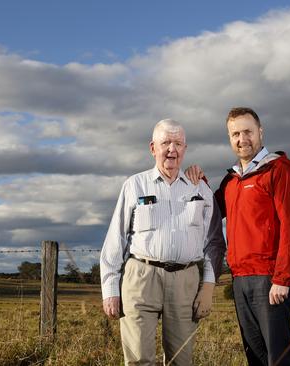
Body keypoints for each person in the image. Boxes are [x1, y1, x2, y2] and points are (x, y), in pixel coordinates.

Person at [100, 119, 226, 366]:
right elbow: (115, 239)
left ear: (185, 149)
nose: (172, 149)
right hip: (140, 279)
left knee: (182, 360)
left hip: (185, 280)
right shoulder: (134, 185)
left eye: (178, 143)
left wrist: (208, 286)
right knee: (139, 360)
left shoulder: (199, 188)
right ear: (152, 148)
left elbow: (214, 242)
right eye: (166, 142)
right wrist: (110, 289)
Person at [216, 107, 290, 366]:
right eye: (235, 134)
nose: (242, 139)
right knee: (255, 356)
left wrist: (283, 279)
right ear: (230, 138)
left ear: (260, 132)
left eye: (248, 132)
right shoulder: (231, 181)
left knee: (279, 359)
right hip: (240, 281)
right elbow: (205, 210)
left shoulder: (278, 170)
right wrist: (194, 181)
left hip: (269, 280)